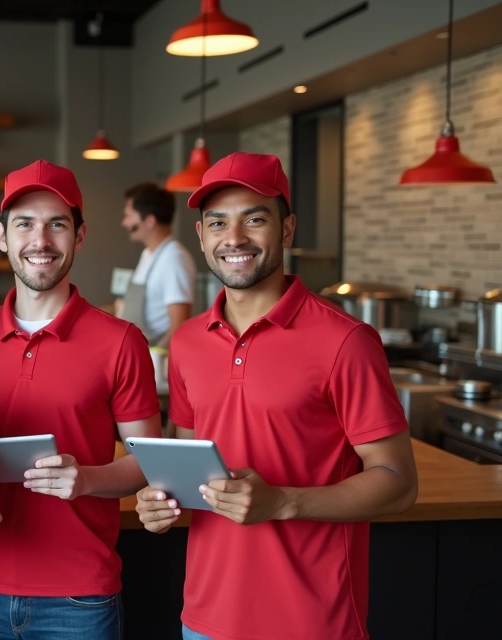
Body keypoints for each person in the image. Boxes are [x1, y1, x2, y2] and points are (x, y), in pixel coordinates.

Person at [135, 152, 418, 640]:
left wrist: (284, 502)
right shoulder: (186, 343)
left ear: (287, 230)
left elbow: (398, 482)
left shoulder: (346, 341)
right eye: (218, 222)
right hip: (204, 618)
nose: (235, 238)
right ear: (201, 236)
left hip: (312, 621)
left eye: (255, 219)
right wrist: (160, 503)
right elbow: (189, 466)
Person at [0, 160, 161, 640]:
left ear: (80, 236)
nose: (40, 241)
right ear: (2, 237)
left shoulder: (121, 341)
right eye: (24, 224)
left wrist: (86, 478)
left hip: (80, 598)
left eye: (57, 225)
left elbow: (149, 462)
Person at [117, 182, 196, 348]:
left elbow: (179, 326)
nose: (124, 223)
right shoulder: (148, 254)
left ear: (150, 221)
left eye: (129, 216)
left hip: (153, 361)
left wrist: (156, 360)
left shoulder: (174, 258)